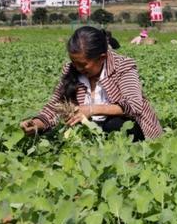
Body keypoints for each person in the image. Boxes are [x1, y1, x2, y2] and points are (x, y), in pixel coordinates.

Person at [20, 26, 163, 141]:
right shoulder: (71, 69)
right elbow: (54, 106)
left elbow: (134, 106)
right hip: (89, 133)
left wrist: (90, 109)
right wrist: (37, 124)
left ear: (102, 58)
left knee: (116, 124)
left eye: (83, 64)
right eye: (74, 62)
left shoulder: (122, 66)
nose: (77, 68)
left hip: (131, 132)